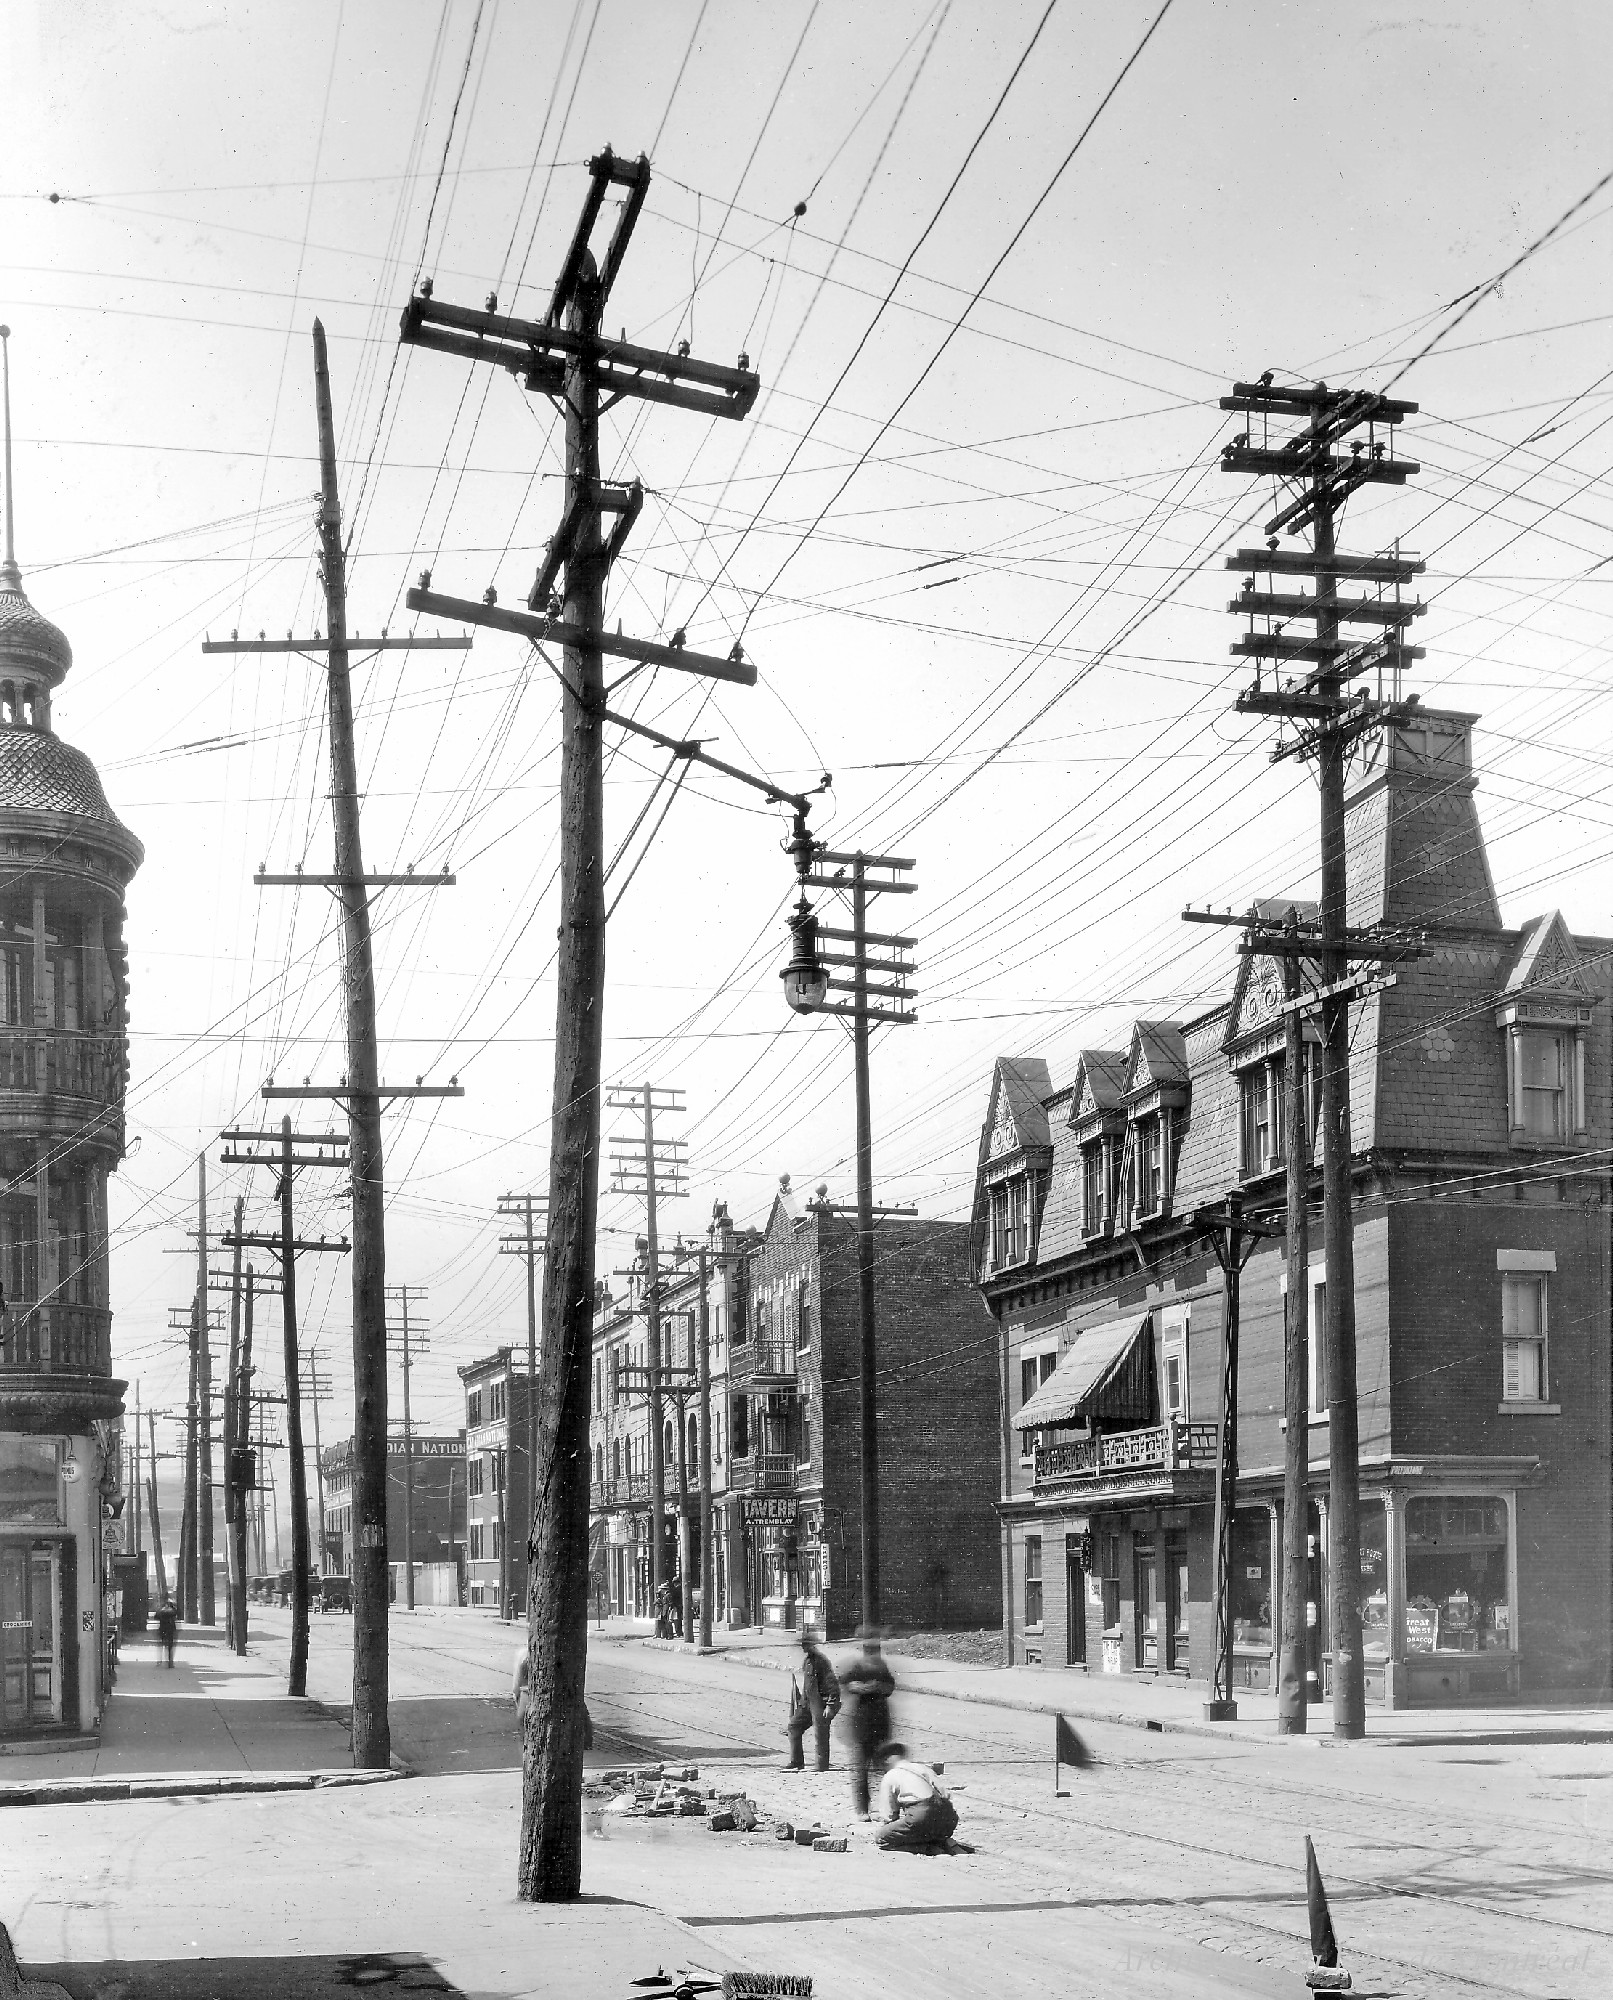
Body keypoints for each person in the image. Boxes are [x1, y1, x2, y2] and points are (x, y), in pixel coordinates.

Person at [837, 1630, 895, 1815]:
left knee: (884, 1770)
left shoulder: (882, 1668)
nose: (872, 1653)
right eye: (869, 1649)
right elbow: (846, 1684)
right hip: (861, 1726)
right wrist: (864, 1688)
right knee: (861, 1771)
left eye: (875, 1649)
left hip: (880, 1726)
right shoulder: (858, 1667)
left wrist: (879, 1687)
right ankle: (862, 1810)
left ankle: (887, 1809)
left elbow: (890, 1686)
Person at [870, 1742, 958, 1852]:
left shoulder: (891, 1775)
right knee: (924, 1828)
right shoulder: (922, 1768)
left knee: (882, 1838)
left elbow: (889, 1815)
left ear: (886, 1760)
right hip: (948, 1818)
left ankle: (929, 1849)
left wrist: (890, 1828)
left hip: (921, 1816)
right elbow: (945, 1794)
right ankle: (941, 1841)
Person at [513, 1643, 592, 1747]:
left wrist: (516, 1695)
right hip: (553, 1694)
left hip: (528, 1695)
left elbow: (516, 1683)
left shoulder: (523, 1654)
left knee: (524, 1726)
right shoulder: (566, 1652)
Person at [784, 1628, 840, 1772]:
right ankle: (796, 1762)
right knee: (793, 1727)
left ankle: (821, 1766)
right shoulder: (807, 1661)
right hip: (806, 1703)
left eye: (805, 1644)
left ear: (812, 1645)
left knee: (820, 1734)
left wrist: (830, 1705)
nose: (803, 1647)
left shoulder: (821, 1662)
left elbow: (832, 1685)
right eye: (802, 1644)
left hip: (820, 1703)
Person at [155, 1600, 177, 1669]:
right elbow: (176, 1614)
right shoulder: (172, 1611)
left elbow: (156, 1617)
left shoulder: (161, 1611)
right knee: (170, 1646)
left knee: (161, 1645)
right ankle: (170, 1662)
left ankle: (159, 1660)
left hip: (162, 1629)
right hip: (170, 1629)